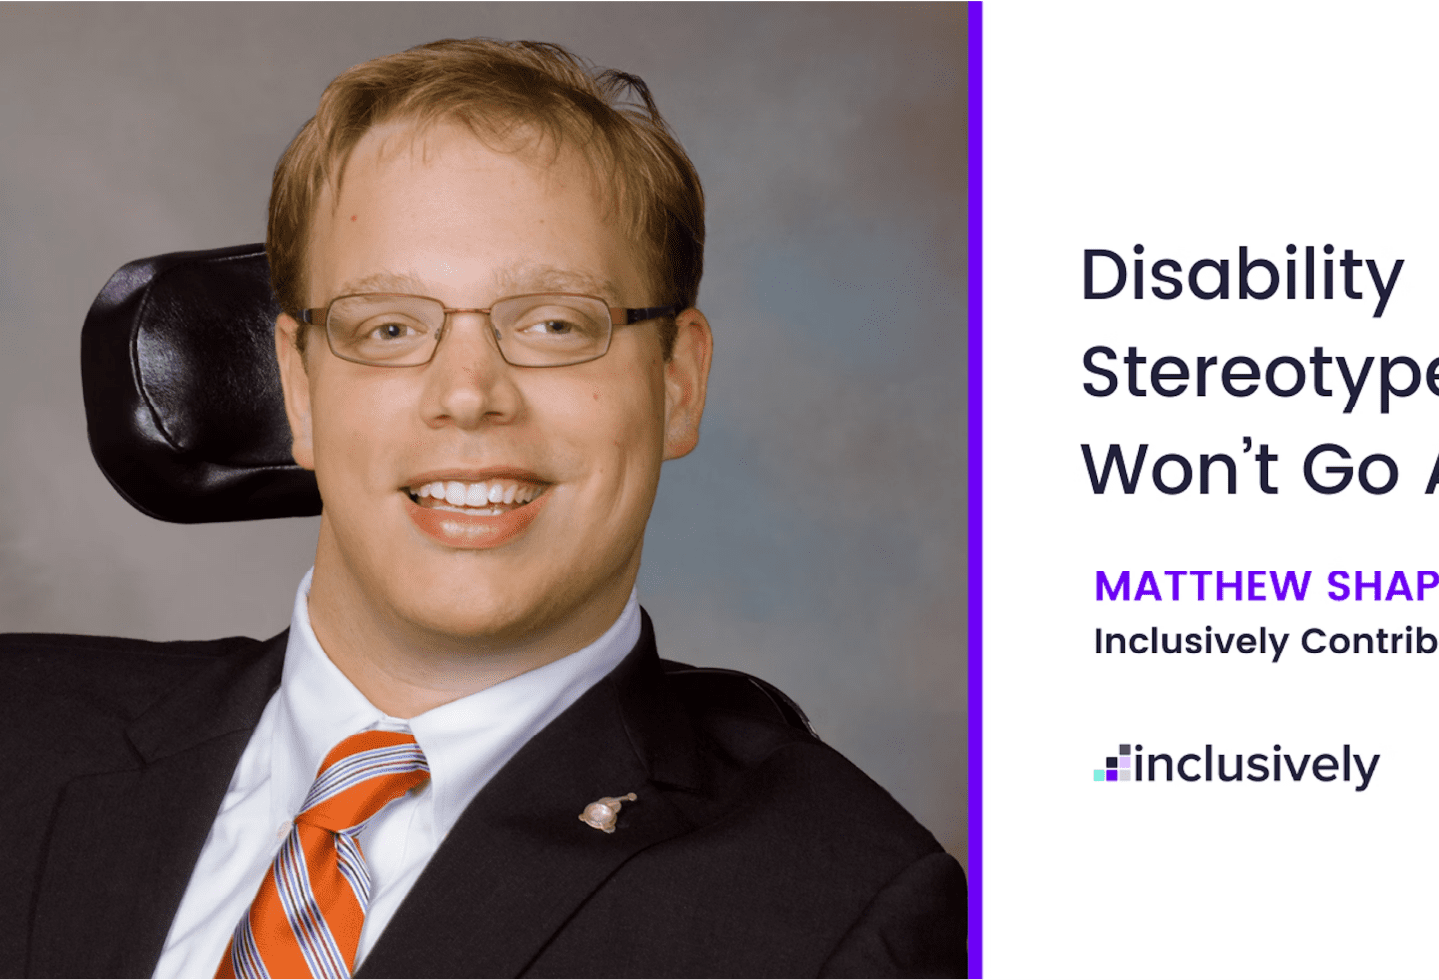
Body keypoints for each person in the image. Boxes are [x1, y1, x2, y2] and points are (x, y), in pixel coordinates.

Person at [0, 38, 965, 979]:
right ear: (298, 386)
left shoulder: (836, 918)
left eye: (554, 324)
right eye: (388, 326)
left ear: (677, 380)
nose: (467, 394)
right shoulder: (20, 733)